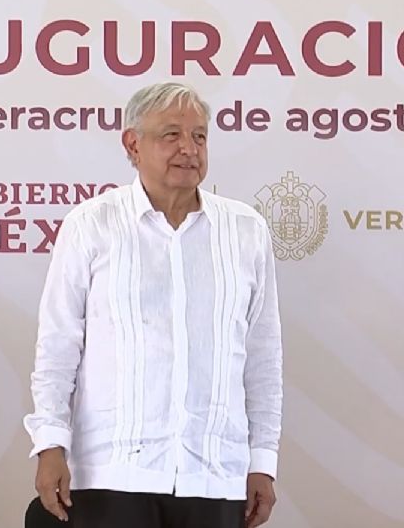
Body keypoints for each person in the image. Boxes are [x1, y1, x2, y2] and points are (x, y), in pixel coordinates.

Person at [23, 82, 283, 528]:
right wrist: (50, 445)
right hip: (113, 469)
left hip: (215, 473)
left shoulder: (246, 231)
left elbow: (262, 357)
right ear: (133, 144)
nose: (189, 149)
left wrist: (262, 460)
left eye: (199, 136)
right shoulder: (92, 225)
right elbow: (58, 346)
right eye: (171, 135)